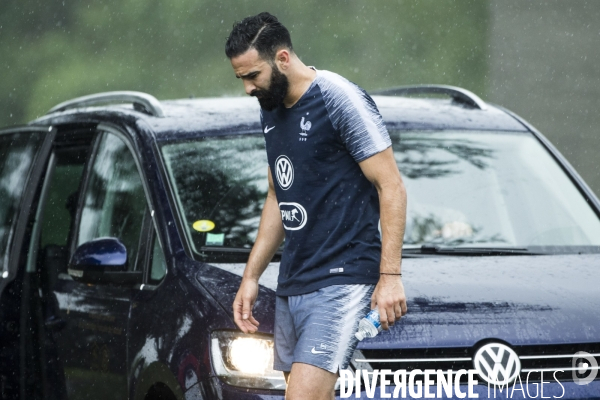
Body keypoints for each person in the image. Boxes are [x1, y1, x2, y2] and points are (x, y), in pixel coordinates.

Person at [225, 12, 408, 400]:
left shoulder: (338, 97)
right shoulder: (270, 105)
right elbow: (278, 194)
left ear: (283, 58)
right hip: (294, 281)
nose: (247, 88)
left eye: (252, 75)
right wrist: (252, 276)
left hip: (341, 277)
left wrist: (390, 276)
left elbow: (390, 185)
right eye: (240, 78)